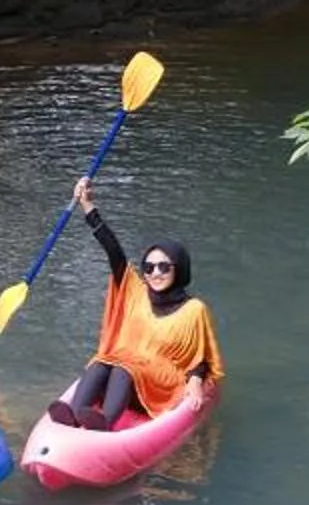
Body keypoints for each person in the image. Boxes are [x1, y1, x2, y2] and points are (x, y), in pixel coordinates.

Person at [47, 175, 222, 429]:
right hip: (129, 372)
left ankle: (105, 422)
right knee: (103, 360)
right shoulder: (136, 291)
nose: (155, 273)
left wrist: (195, 381)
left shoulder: (194, 310)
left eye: (164, 266)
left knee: (124, 366)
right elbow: (114, 253)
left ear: (178, 269)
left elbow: (203, 357)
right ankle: (72, 415)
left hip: (162, 384)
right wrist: (87, 206)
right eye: (149, 267)